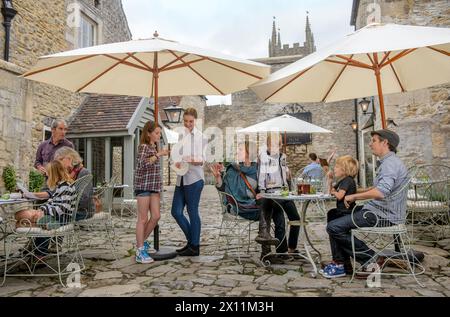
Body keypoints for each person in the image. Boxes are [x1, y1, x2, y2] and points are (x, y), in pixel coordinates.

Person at [325, 129, 408, 278]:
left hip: (383, 215)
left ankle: (371, 258)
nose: (370, 144)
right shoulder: (389, 162)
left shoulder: (390, 164)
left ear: (385, 143)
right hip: (378, 210)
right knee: (334, 215)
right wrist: (358, 191)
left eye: (374, 141)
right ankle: (342, 263)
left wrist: (353, 196)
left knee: (334, 227)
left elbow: (381, 192)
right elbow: (376, 188)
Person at [210, 141, 279, 245]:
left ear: (249, 153)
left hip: (256, 205)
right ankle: (267, 251)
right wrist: (218, 177)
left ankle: (279, 249)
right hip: (238, 206)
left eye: (240, 149)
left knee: (278, 208)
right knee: (270, 207)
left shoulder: (258, 169)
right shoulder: (233, 170)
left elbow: (266, 186)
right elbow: (223, 189)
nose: (237, 152)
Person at [15, 160, 76, 256]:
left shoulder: (66, 187)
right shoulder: (60, 186)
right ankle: (39, 239)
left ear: (54, 174)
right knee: (19, 219)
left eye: (48, 174)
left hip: (61, 218)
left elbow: (63, 208)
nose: (47, 176)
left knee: (21, 218)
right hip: (55, 216)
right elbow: (52, 202)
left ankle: (39, 255)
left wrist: (44, 212)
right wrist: (42, 209)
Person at [257, 134, 300, 260]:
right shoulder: (264, 157)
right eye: (273, 144)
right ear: (268, 145)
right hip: (272, 193)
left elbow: (284, 175)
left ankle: (291, 248)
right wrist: (262, 190)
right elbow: (261, 176)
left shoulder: (283, 157)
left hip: (284, 192)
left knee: (296, 219)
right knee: (280, 221)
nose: (276, 147)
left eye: (279, 144)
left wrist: (287, 175)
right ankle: (282, 252)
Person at [171, 108, 206, 256]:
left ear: (195, 121)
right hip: (181, 179)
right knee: (176, 211)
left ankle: (194, 246)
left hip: (195, 179)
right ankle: (192, 242)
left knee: (192, 212)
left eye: (190, 121)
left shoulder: (201, 137)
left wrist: (189, 159)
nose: (188, 124)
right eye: (185, 121)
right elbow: (177, 155)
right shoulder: (181, 136)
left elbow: (202, 160)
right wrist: (177, 161)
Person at [133, 121, 169, 264]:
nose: (159, 135)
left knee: (156, 216)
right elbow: (143, 164)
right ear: (148, 133)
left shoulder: (154, 148)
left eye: (159, 133)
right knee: (142, 219)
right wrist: (159, 154)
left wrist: (158, 152)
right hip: (143, 186)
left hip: (154, 187)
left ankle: (140, 243)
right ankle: (140, 250)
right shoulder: (143, 147)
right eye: (156, 133)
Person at [320, 155, 358, 278]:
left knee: (332, 216)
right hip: (341, 212)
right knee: (331, 213)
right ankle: (342, 262)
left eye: (337, 166)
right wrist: (330, 180)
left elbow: (340, 196)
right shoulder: (342, 181)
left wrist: (334, 192)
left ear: (345, 169)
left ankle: (339, 262)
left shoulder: (347, 180)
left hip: (346, 212)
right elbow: (330, 191)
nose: (334, 168)